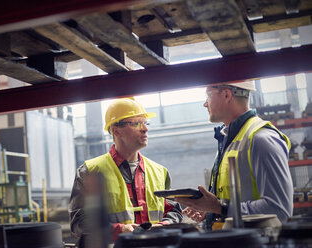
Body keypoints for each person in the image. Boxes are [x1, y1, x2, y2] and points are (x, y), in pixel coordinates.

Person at [175, 80, 293, 229]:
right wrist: (210, 210)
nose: (205, 104)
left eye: (208, 96)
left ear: (226, 95)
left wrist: (219, 207)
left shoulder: (261, 139)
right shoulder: (230, 140)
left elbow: (279, 209)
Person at [69, 97, 183, 241]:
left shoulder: (160, 172)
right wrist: (118, 230)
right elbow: (78, 222)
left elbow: (174, 211)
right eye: (137, 123)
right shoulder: (90, 171)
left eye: (146, 123)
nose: (145, 129)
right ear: (116, 131)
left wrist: (164, 225)